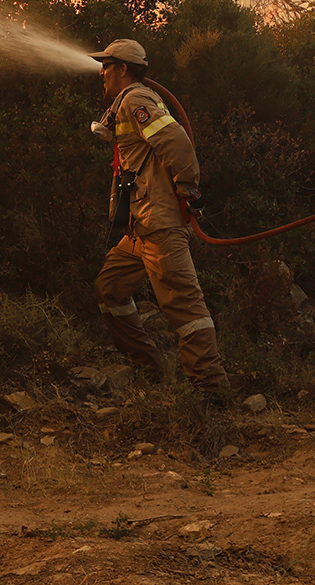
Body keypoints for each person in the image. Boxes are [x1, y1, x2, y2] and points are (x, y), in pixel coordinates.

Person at [87, 39, 230, 420]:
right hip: (139, 227)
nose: (101, 73)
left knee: (186, 308)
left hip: (160, 226)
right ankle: (150, 369)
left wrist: (189, 189)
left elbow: (177, 143)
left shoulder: (137, 100)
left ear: (123, 70)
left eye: (107, 66)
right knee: (110, 289)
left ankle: (210, 393)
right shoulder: (128, 102)